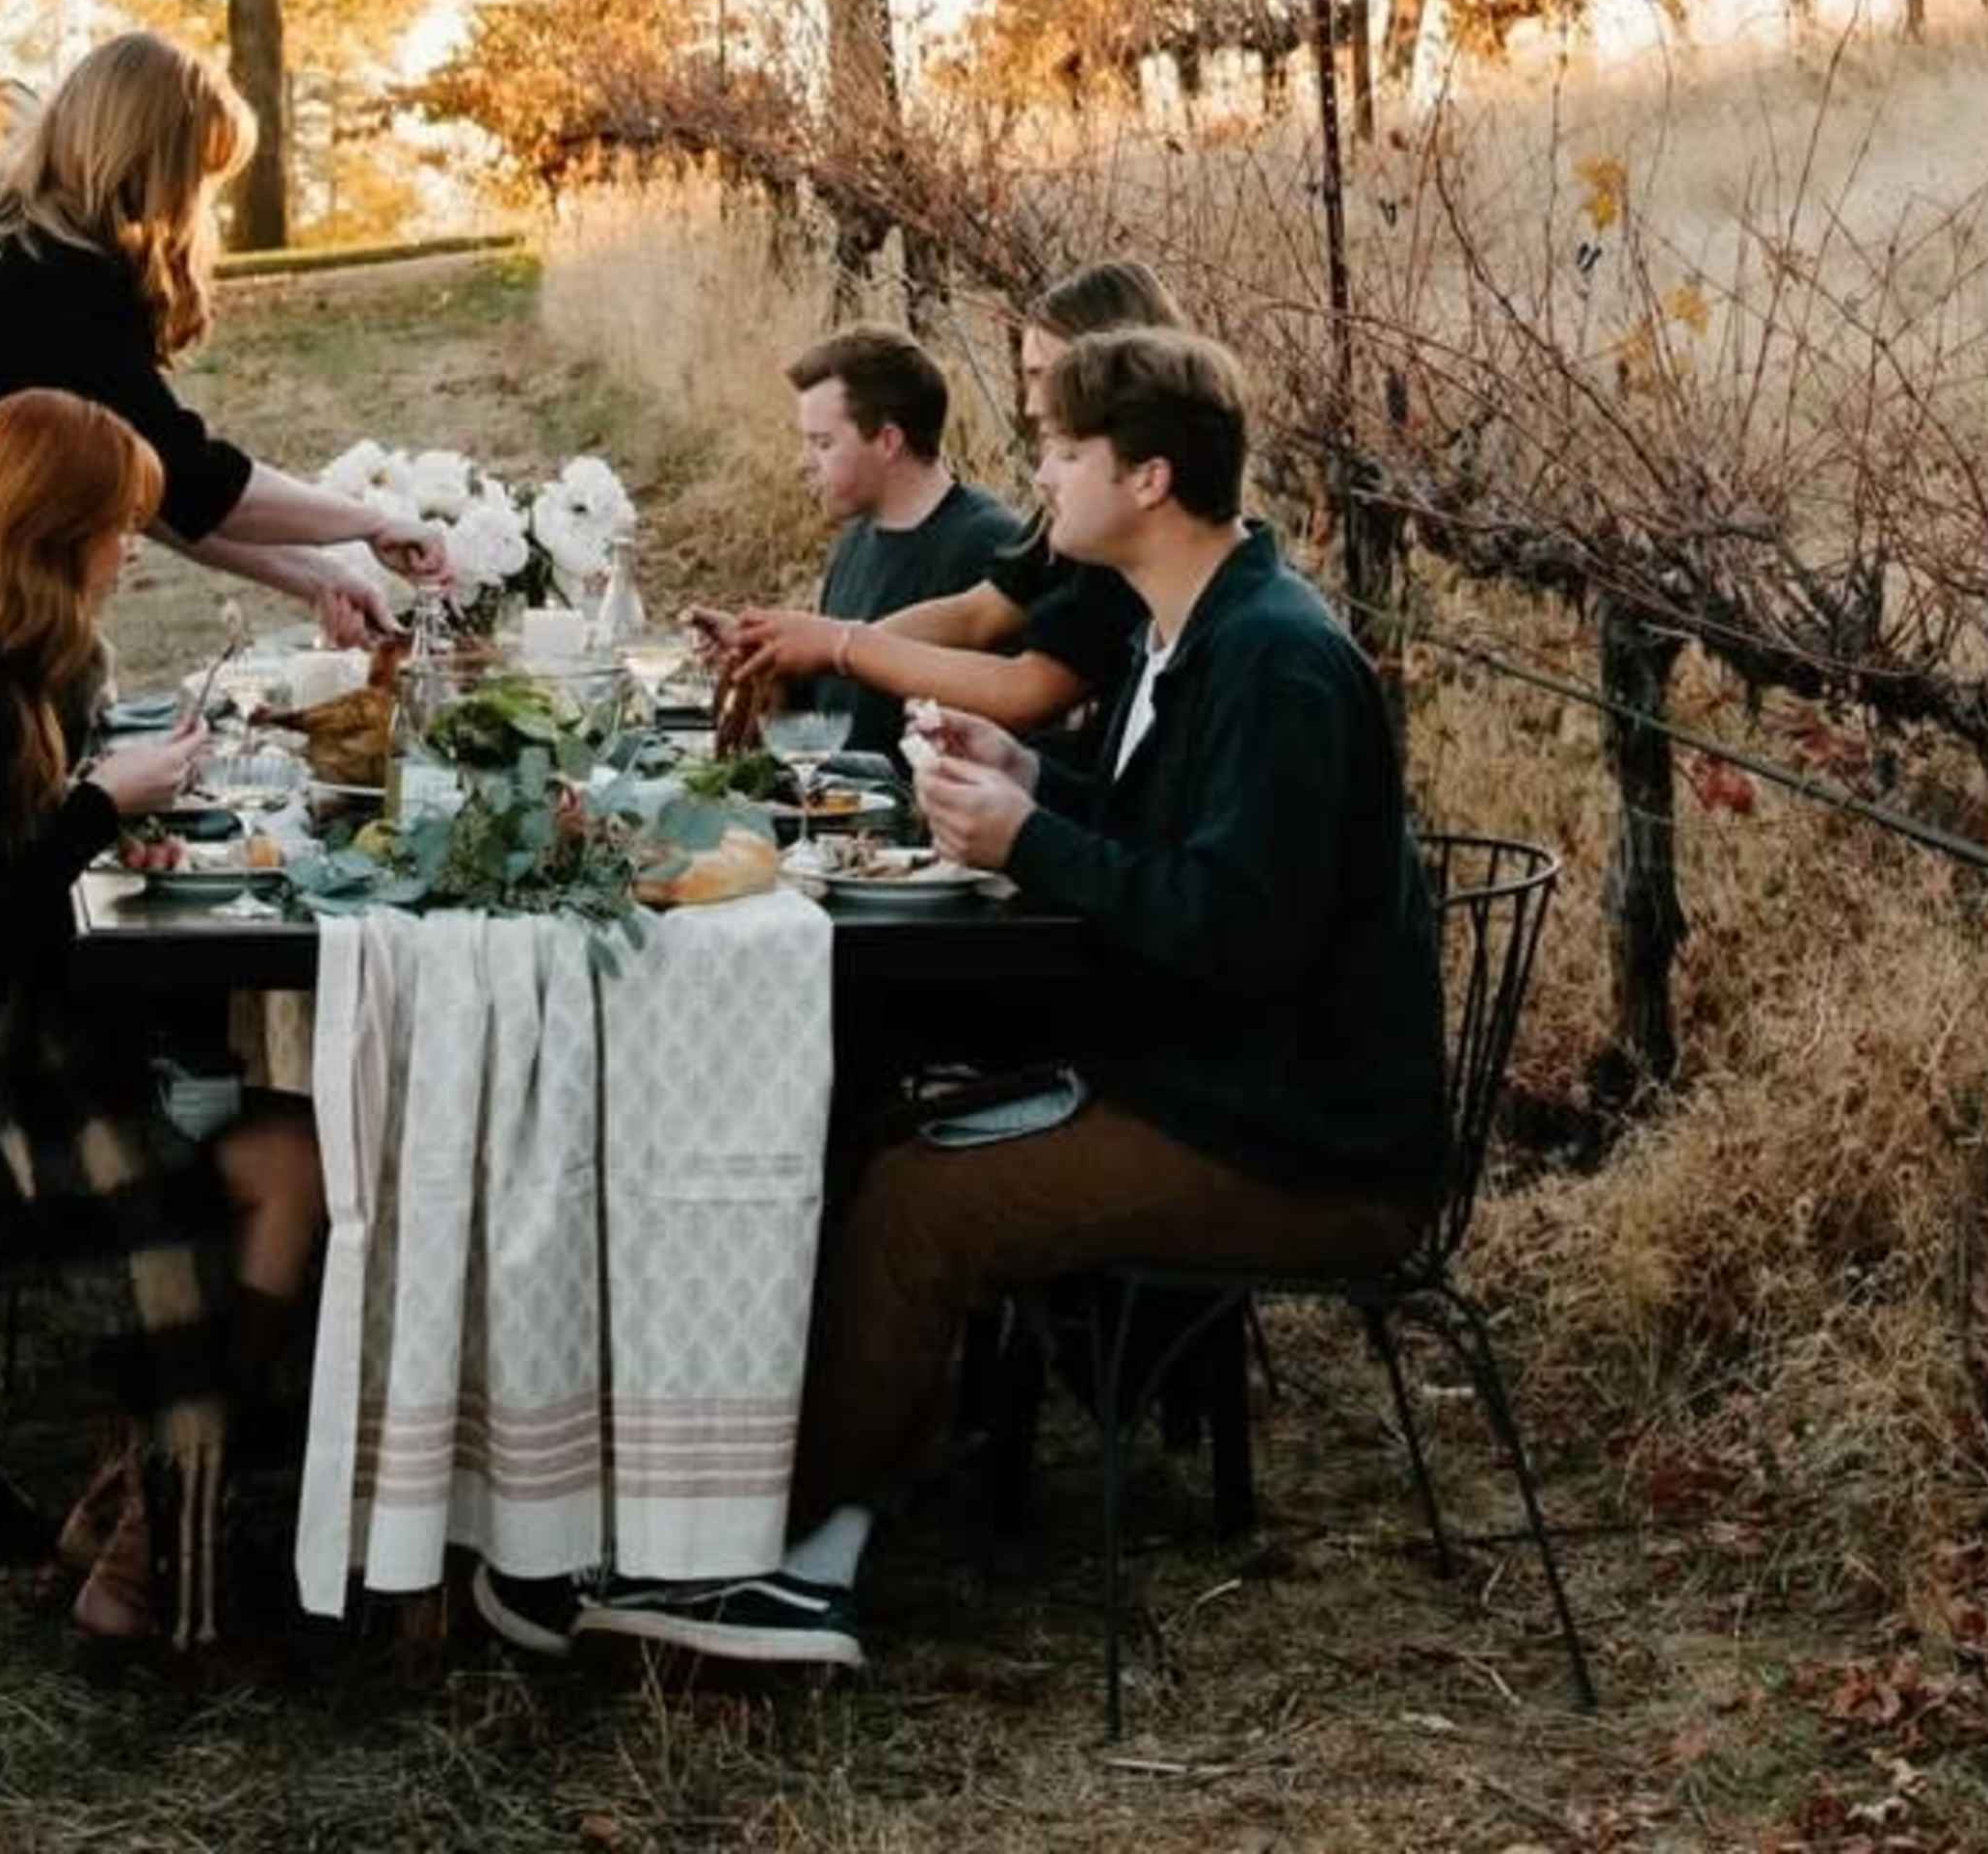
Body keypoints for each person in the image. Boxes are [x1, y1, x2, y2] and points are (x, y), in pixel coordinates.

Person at [584, 325, 1445, 1671]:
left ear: (1148, 479)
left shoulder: (1273, 660)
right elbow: (1190, 851)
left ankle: (778, 1570)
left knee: (925, 1207)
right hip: (1211, 1081)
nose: (1039, 480)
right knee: (876, 1145)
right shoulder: (1197, 626)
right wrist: (1038, 783)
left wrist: (1028, 841)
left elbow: (1240, 932)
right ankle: (822, 1517)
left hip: (1301, 1138)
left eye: (1061, 454)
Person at [0, 384, 326, 1646]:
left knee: (299, 1156)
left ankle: (136, 1516)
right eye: (115, 527)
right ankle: (150, 1551)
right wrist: (98, 814)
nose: (128, 550)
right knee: (292, 1171)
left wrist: (101, 810)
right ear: (50, 532)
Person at [0, 29, 445, 859]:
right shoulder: (47, 279)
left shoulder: (18, 249)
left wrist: (321, 574)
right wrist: (369, 523)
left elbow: (149, 491)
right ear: (153, 159)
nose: (199, 203)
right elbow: (194, 479)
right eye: (199, 174)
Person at [703, 258, 1176, 752]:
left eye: (1044, 375)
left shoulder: (1116, 525)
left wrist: (840, 647)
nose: (1032, 403)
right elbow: (979, 614)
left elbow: (1030, 688)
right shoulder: (1070, 514)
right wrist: (797, 642)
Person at [766, 327, 1034, 767]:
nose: (803, 463)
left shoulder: (990, 547)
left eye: (823, 443)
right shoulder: (854, 541)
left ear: (889, 441)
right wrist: (762, 660)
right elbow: (824, 711)